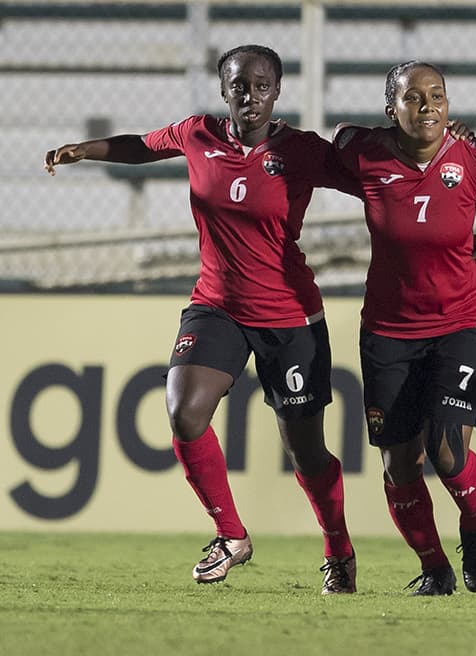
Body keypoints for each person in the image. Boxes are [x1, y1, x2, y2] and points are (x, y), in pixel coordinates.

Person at [43, 45, 360, 594]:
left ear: (278, 92)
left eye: (262, 86)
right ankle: (232, 535)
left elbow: (375, 184)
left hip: (289, 316)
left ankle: (338, 548)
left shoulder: (303, 151)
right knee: (184, 412)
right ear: (223, 90)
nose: (250, 96)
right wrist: (84, 150)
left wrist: (422, 153)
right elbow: (142, 147)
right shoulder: (197, 134)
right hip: (216, 305)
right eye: (239, 85)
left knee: (305, 449)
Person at [332, 60, 476, 596]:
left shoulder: (472, 156)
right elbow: (338, 141)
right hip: (389, 331)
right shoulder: (367, 154)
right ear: (392, 108)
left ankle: (475, 522)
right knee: (398, 463)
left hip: (461, 320)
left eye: (437, 95)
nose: (428, 106)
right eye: (413, 98)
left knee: (445, 449)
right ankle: (435, 566)